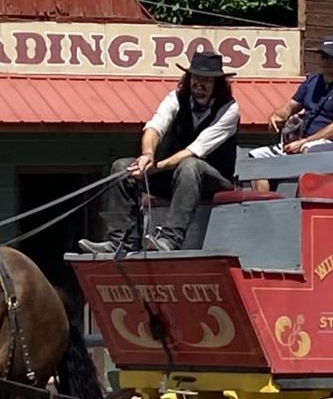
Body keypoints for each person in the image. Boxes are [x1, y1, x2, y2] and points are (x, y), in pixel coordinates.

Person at [83, 51, 240, 253]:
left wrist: (153, 169)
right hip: (178, 178)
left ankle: (170, 240)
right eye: (196, 78)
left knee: (191, 166)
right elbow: (155, 127)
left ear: (217, 84)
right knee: (122, 167)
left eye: (207, 80)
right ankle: (120, 240)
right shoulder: (176, 98)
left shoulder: (229, 109)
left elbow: (193, 151)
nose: (199, 85)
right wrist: (147, 156)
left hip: (213, 181)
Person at [251, 37, 333, 157]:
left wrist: (304, 142)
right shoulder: (312, 80)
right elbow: (291, 106)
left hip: (328, 144)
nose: (326, 61)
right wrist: (277, 116)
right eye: (323, 57)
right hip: (299, 140)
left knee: (307, 150)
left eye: (332, 58)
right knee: (255, 156)